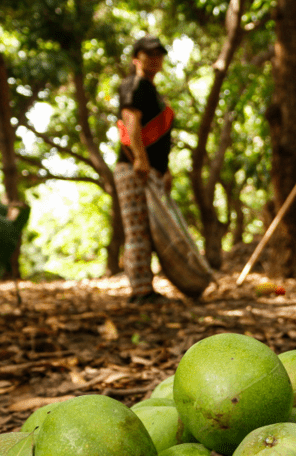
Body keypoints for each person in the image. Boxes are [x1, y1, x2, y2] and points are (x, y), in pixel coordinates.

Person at [114, 34, 174, 304]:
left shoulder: (153, 92)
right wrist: (140, 158)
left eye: (159, 54)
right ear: (136, 58)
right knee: (137, 228)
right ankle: (140, 291)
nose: (155, 59)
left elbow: (160, 138)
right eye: (148, 54)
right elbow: (130, 119)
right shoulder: (134, 84)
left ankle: (145, 287)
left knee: (149, 229)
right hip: (135, 168)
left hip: (151, 171)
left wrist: (165, 169)